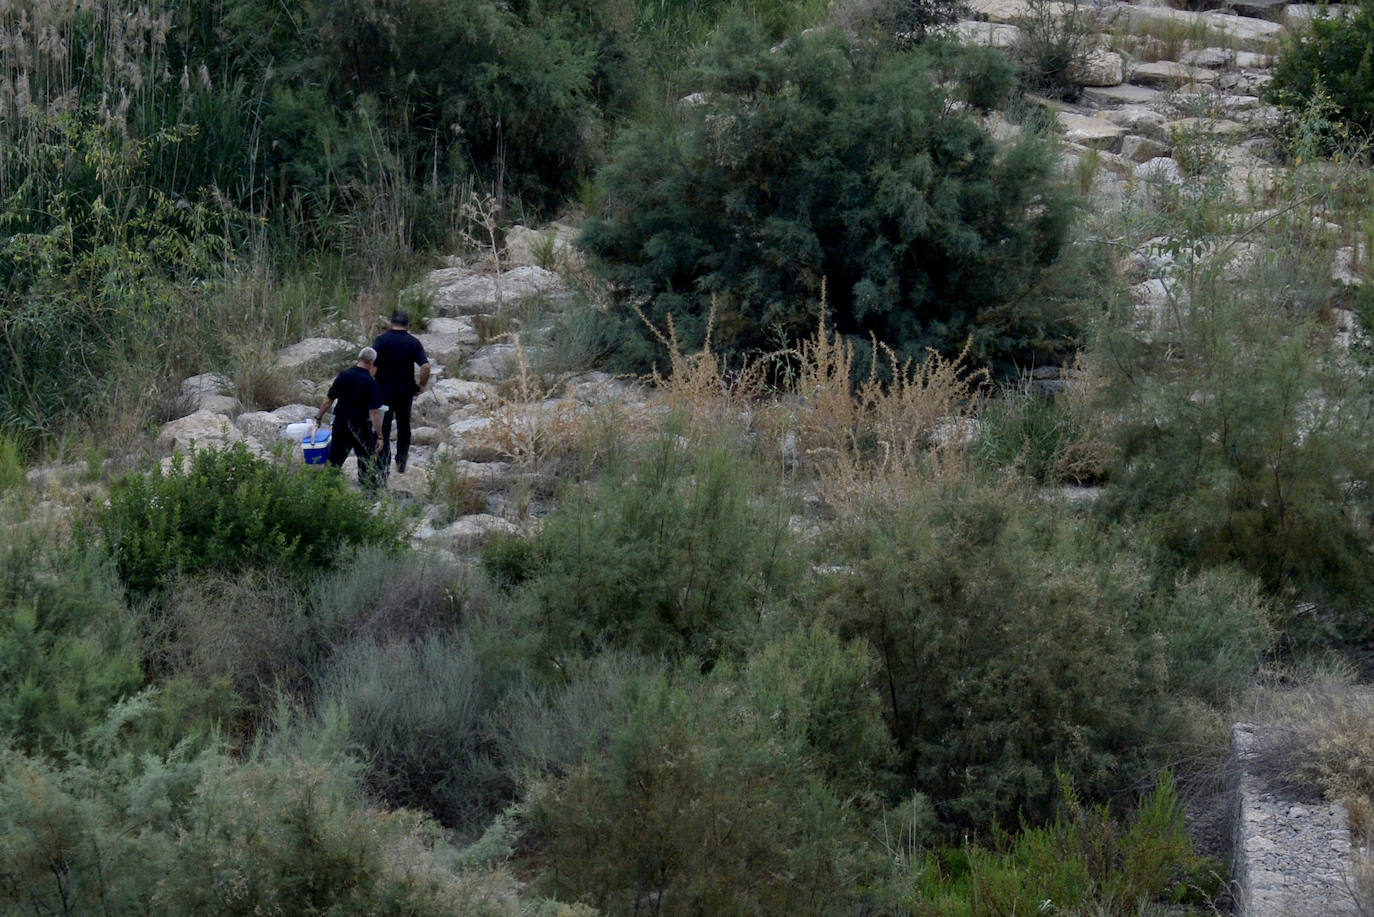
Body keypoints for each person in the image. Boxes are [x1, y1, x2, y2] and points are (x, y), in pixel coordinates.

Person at [315, 347, 385, 490]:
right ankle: (369, 496)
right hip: (360, 426)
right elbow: (375, 413)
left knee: (334, 461)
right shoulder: (369, 382)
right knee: (366, 462)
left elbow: (328, 401)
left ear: (358, 358)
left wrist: (318, 417)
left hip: (341, 424)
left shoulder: (344, 375)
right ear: (372, 362)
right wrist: (379, 436)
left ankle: (323, 492)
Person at [372, 308, 430, 475]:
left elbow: (373, 367)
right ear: (408, 325)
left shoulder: (381, 341)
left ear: (391, 323)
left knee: (383, 429)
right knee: (404, 426)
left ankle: (383, 463)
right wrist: (421, 385)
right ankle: (402, 461)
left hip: (383, 392)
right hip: (405, 392)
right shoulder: (413, 342)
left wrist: (368, 387)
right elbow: (425, 366)